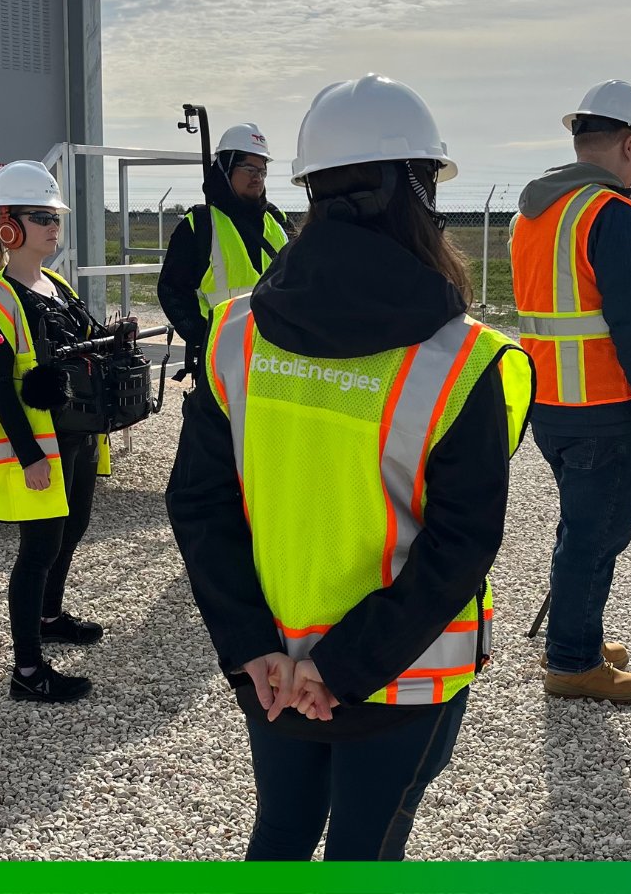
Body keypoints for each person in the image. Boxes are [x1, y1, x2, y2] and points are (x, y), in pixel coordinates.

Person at [166, 74, 534, 861]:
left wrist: (252, 645)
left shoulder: (234, 335)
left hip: (272, 665)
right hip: (403, 678)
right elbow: (461, 544)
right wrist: (343, 668)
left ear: (309, 190)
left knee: (282, 834)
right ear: (415, 189)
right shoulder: (460, 358)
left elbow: (199, 505)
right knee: (368, 850)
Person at [510, 79, 631, 704]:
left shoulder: (535, 211)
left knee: (580, 528)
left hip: (551, 405)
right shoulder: (610, 214)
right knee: (596, 535)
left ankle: (576, 633)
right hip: (605, 410)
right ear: (629, 144)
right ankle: (573, 661)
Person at [0, 161, 109, 704]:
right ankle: (27, 671)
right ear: (8, 227)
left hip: (77, 436)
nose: (53, 226)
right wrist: (29, 457)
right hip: (38, 445)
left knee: (74, 528)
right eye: (41, 217)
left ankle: (49, 615)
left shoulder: (57, 284)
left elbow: (86, 343)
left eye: (56, 217)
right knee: (38, 549)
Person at [157, 123, 294, 378]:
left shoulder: (278, 221)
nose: (257, 177)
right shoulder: (199, 225)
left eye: (262, 171)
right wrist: (203, 338)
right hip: (221, 362)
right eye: (249, 168)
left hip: (276, 358)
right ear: (226, 168)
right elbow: (171, 289)